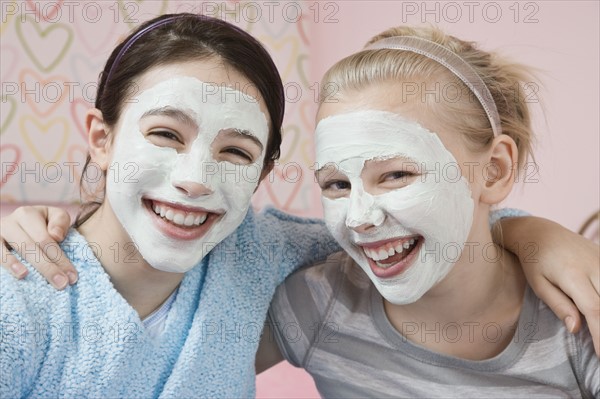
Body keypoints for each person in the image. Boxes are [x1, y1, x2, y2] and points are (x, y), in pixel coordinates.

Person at [0, 14, 598, 398]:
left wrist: (535, 234)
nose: (193, 179)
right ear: (101, 138)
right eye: (165, 135)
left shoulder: (264, 258)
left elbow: (449, 234)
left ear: (261, 173)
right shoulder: (17, 294)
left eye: (236, 151)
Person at [261, 26, 599, 397]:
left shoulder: (577, 319)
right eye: (337, 184)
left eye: (395, 175)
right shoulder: (317, 305)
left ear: (494, 170)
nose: (359, 218)